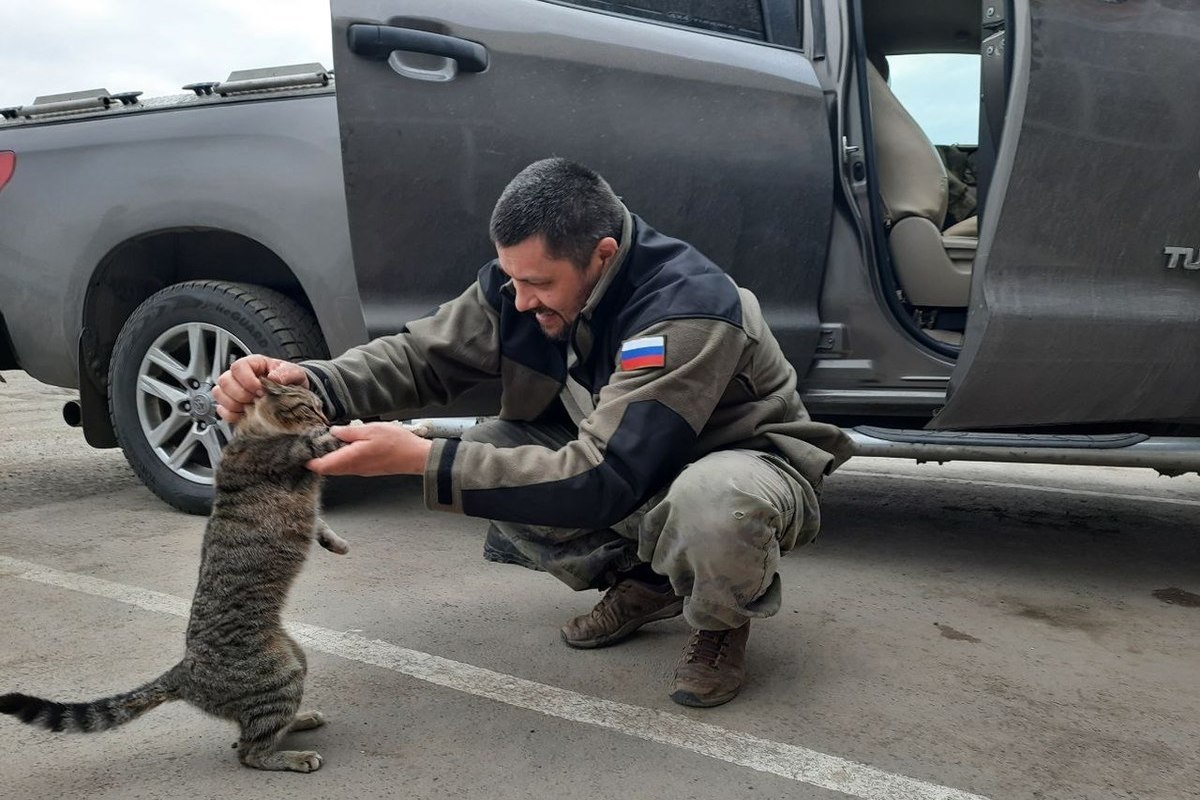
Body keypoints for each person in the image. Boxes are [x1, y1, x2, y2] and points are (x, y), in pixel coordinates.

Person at [214, 158, 853, 707]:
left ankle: (720, 622)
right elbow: (420, 356)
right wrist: (309, 383)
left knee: (711, 505)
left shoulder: (686, 308)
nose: (517, 300)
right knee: (483, 453)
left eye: (538, 283)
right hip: (629, 463)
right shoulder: (519, 283)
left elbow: (608, 477)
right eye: (511, 278)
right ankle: (651, 580)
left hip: (739, 463)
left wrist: (420, 460)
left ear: (602, 255)